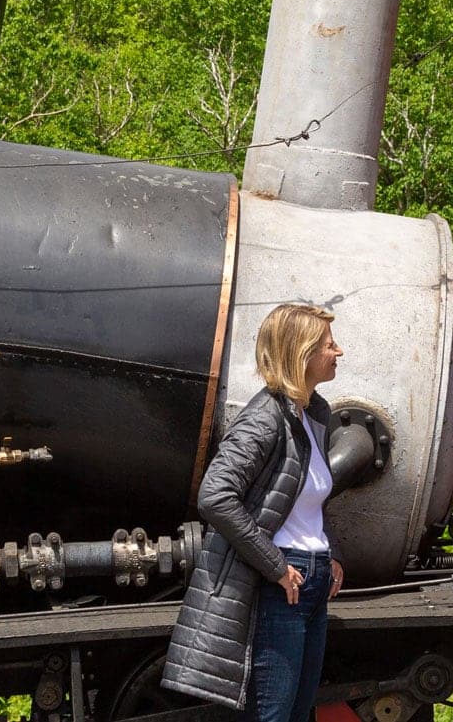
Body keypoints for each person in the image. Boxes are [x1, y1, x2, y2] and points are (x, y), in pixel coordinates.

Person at [162, 303, 346, 722]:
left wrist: (331, 552)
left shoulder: (314, 412)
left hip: (311, 580)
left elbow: (310, 494)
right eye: (328, 344)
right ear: (301, 354)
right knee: (272, 715)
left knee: (297, 714)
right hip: (284, 584)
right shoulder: (264, 418)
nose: (338, 351)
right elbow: (215, 495)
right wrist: (276, 566)